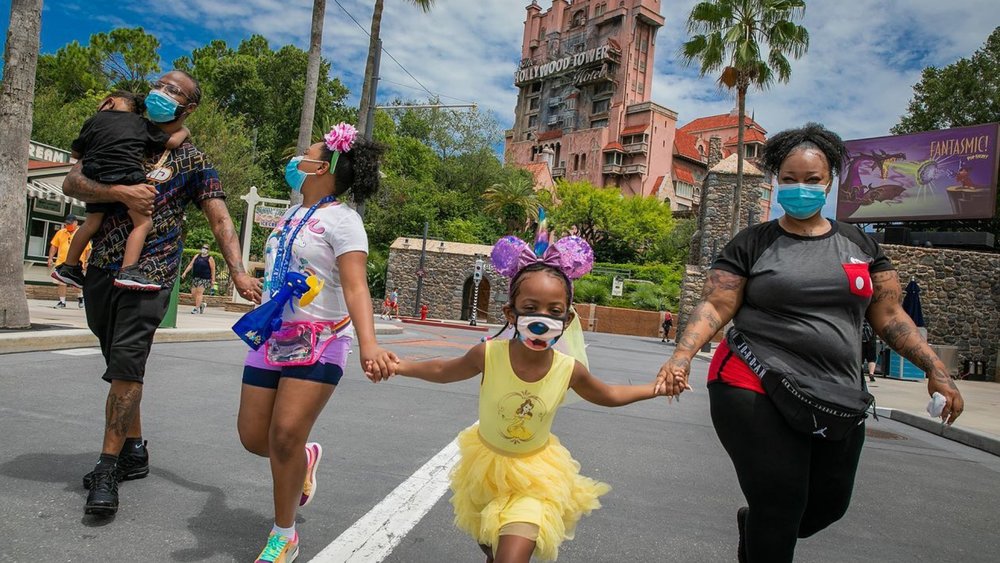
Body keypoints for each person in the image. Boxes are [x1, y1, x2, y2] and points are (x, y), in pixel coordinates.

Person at [655, 123, 964, 563]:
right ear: (776, 181)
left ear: (830, 180)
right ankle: (766, 527)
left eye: (812, 180)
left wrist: (936, 369)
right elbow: (716, 305)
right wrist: (681, 356)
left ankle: (757, 525)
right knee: (781, 502)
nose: (801, 188)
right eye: (790, 179)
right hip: (752, 381)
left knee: (826, 507)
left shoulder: (861, 245)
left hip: (836, 390)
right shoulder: (753, 243)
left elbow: (891, 315)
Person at [378, 232, 681, 563]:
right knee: (493, 550)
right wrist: (401, 366)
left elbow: (607, 393)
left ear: (567, 320)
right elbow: (443, 370)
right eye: (531, 308)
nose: (542, 320)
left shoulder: (569, 369)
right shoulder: (489, 354)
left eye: (554, 311)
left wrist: (657, 388)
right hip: (486, 469)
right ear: (511, 314)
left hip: (536, 477)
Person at [62, 70, 262, 517]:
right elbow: (71, 183)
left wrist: (238, 271)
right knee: (118, 366)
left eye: (175, 91)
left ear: (188, 108)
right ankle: (133, 450)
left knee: (127, 367)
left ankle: (107, 468)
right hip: (101, 270)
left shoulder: (191, 160)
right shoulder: (119, 132)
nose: (162, 93)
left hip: (149, 275)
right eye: (160, 84)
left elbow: (220, 219)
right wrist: (120, 191)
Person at [235, 123, 396, 563]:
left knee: (283, 434)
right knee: (254, 437)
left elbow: (356, 286)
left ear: (321, 168)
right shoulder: (290, 215)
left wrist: (369, 345)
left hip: (322, 341)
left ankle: (283, 534)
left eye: (303, 156)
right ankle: (304, 458)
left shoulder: (345, 221)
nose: (295, 161)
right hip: (271, 337)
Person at [52, 91, 189, 292]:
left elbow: (75, 154)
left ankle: (69, 267)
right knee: (143, 222)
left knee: (91, 223)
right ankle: (128, 271)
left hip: (94, 174)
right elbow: (172, 142)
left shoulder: (93, 120)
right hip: (126, 173)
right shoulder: (140, 123)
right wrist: (185, 131)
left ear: (109, 102)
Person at [47, 214, 90, 308]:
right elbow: (54, 246)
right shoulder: (61, 232)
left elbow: (88, 249)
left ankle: (80, 297)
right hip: (61, 262)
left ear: (76, 223)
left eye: (70, 224)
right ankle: (62, 302)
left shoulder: (81, 233)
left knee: (75, 283)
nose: (68, 225)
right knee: (61, 282)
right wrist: (50, 258)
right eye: (67, 224)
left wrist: (86, 261)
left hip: (77, 263)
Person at [182, 244, 216, 314]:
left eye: (206, 248)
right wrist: (185, 272)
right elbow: (191, 265)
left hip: (205, 278)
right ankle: (201, 305)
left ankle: (196, 308)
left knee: (199, 293)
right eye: (203, 247)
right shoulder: (197, 256)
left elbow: (213, 270)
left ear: (208, 250)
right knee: (193, 293)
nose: (204, 249)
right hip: (196, 277)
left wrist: (213, 280)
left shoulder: (210, 258)